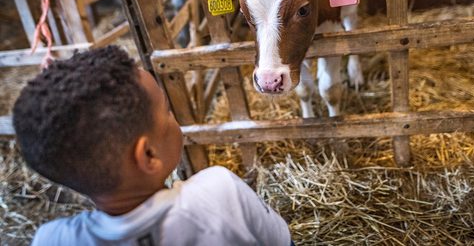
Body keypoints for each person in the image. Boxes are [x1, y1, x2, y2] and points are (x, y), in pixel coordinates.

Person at [12, 46, 292, 245]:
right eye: (167, 111)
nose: (173, 117)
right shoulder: (219, 193)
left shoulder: (53, 239)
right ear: (148, 155)